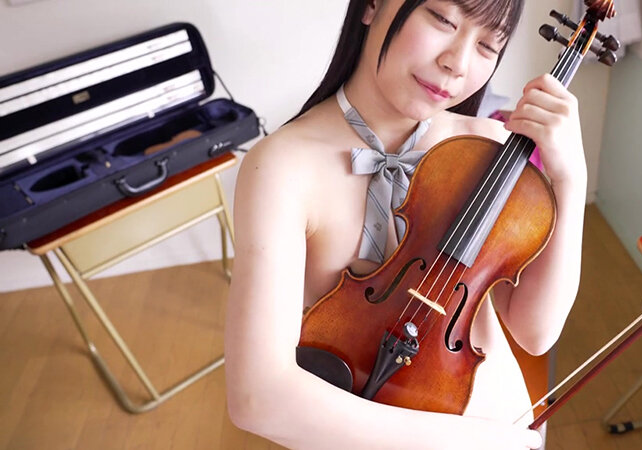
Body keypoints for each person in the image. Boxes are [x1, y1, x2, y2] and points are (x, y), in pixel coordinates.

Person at [225, 0, 586, 448]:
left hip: (506, 429)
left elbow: (535, 332)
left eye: (488, 46)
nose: (457, 63)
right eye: (442, 19)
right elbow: (257, 397)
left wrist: (571, 179)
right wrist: (472, 440)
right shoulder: (282, 166)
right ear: (372, 5)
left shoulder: (488, 147)